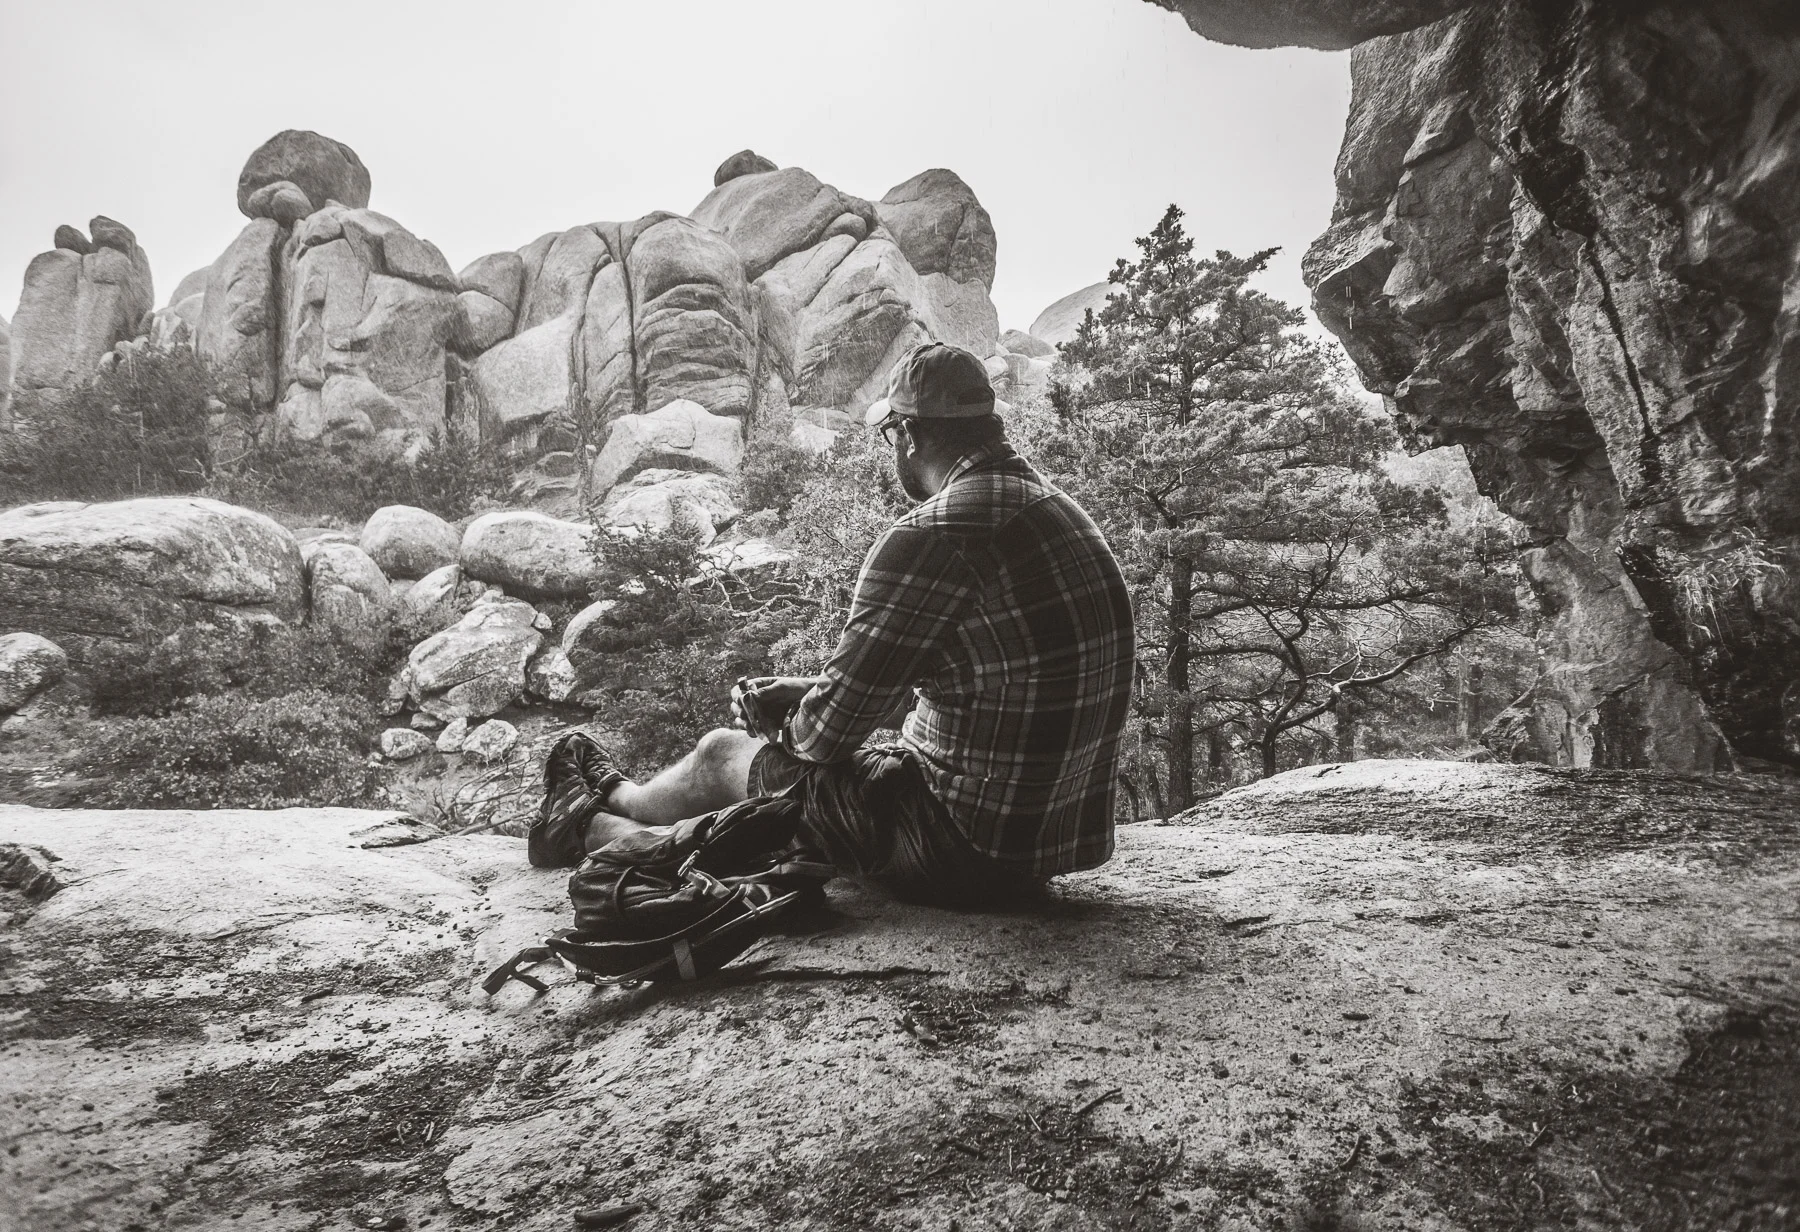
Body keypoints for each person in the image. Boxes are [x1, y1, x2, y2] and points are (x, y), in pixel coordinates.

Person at [528, 340, 1135, 906]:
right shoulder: (1064, 514)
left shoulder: (930, 536)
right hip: (1050, 843)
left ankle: (602, 810)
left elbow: (822, 742)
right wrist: (814, 690)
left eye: (889, 433)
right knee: (781, 806)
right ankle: (606, 818)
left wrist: (787, 718)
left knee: (722, 757)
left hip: (962, 849)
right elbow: (993, 696)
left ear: (909, 435)